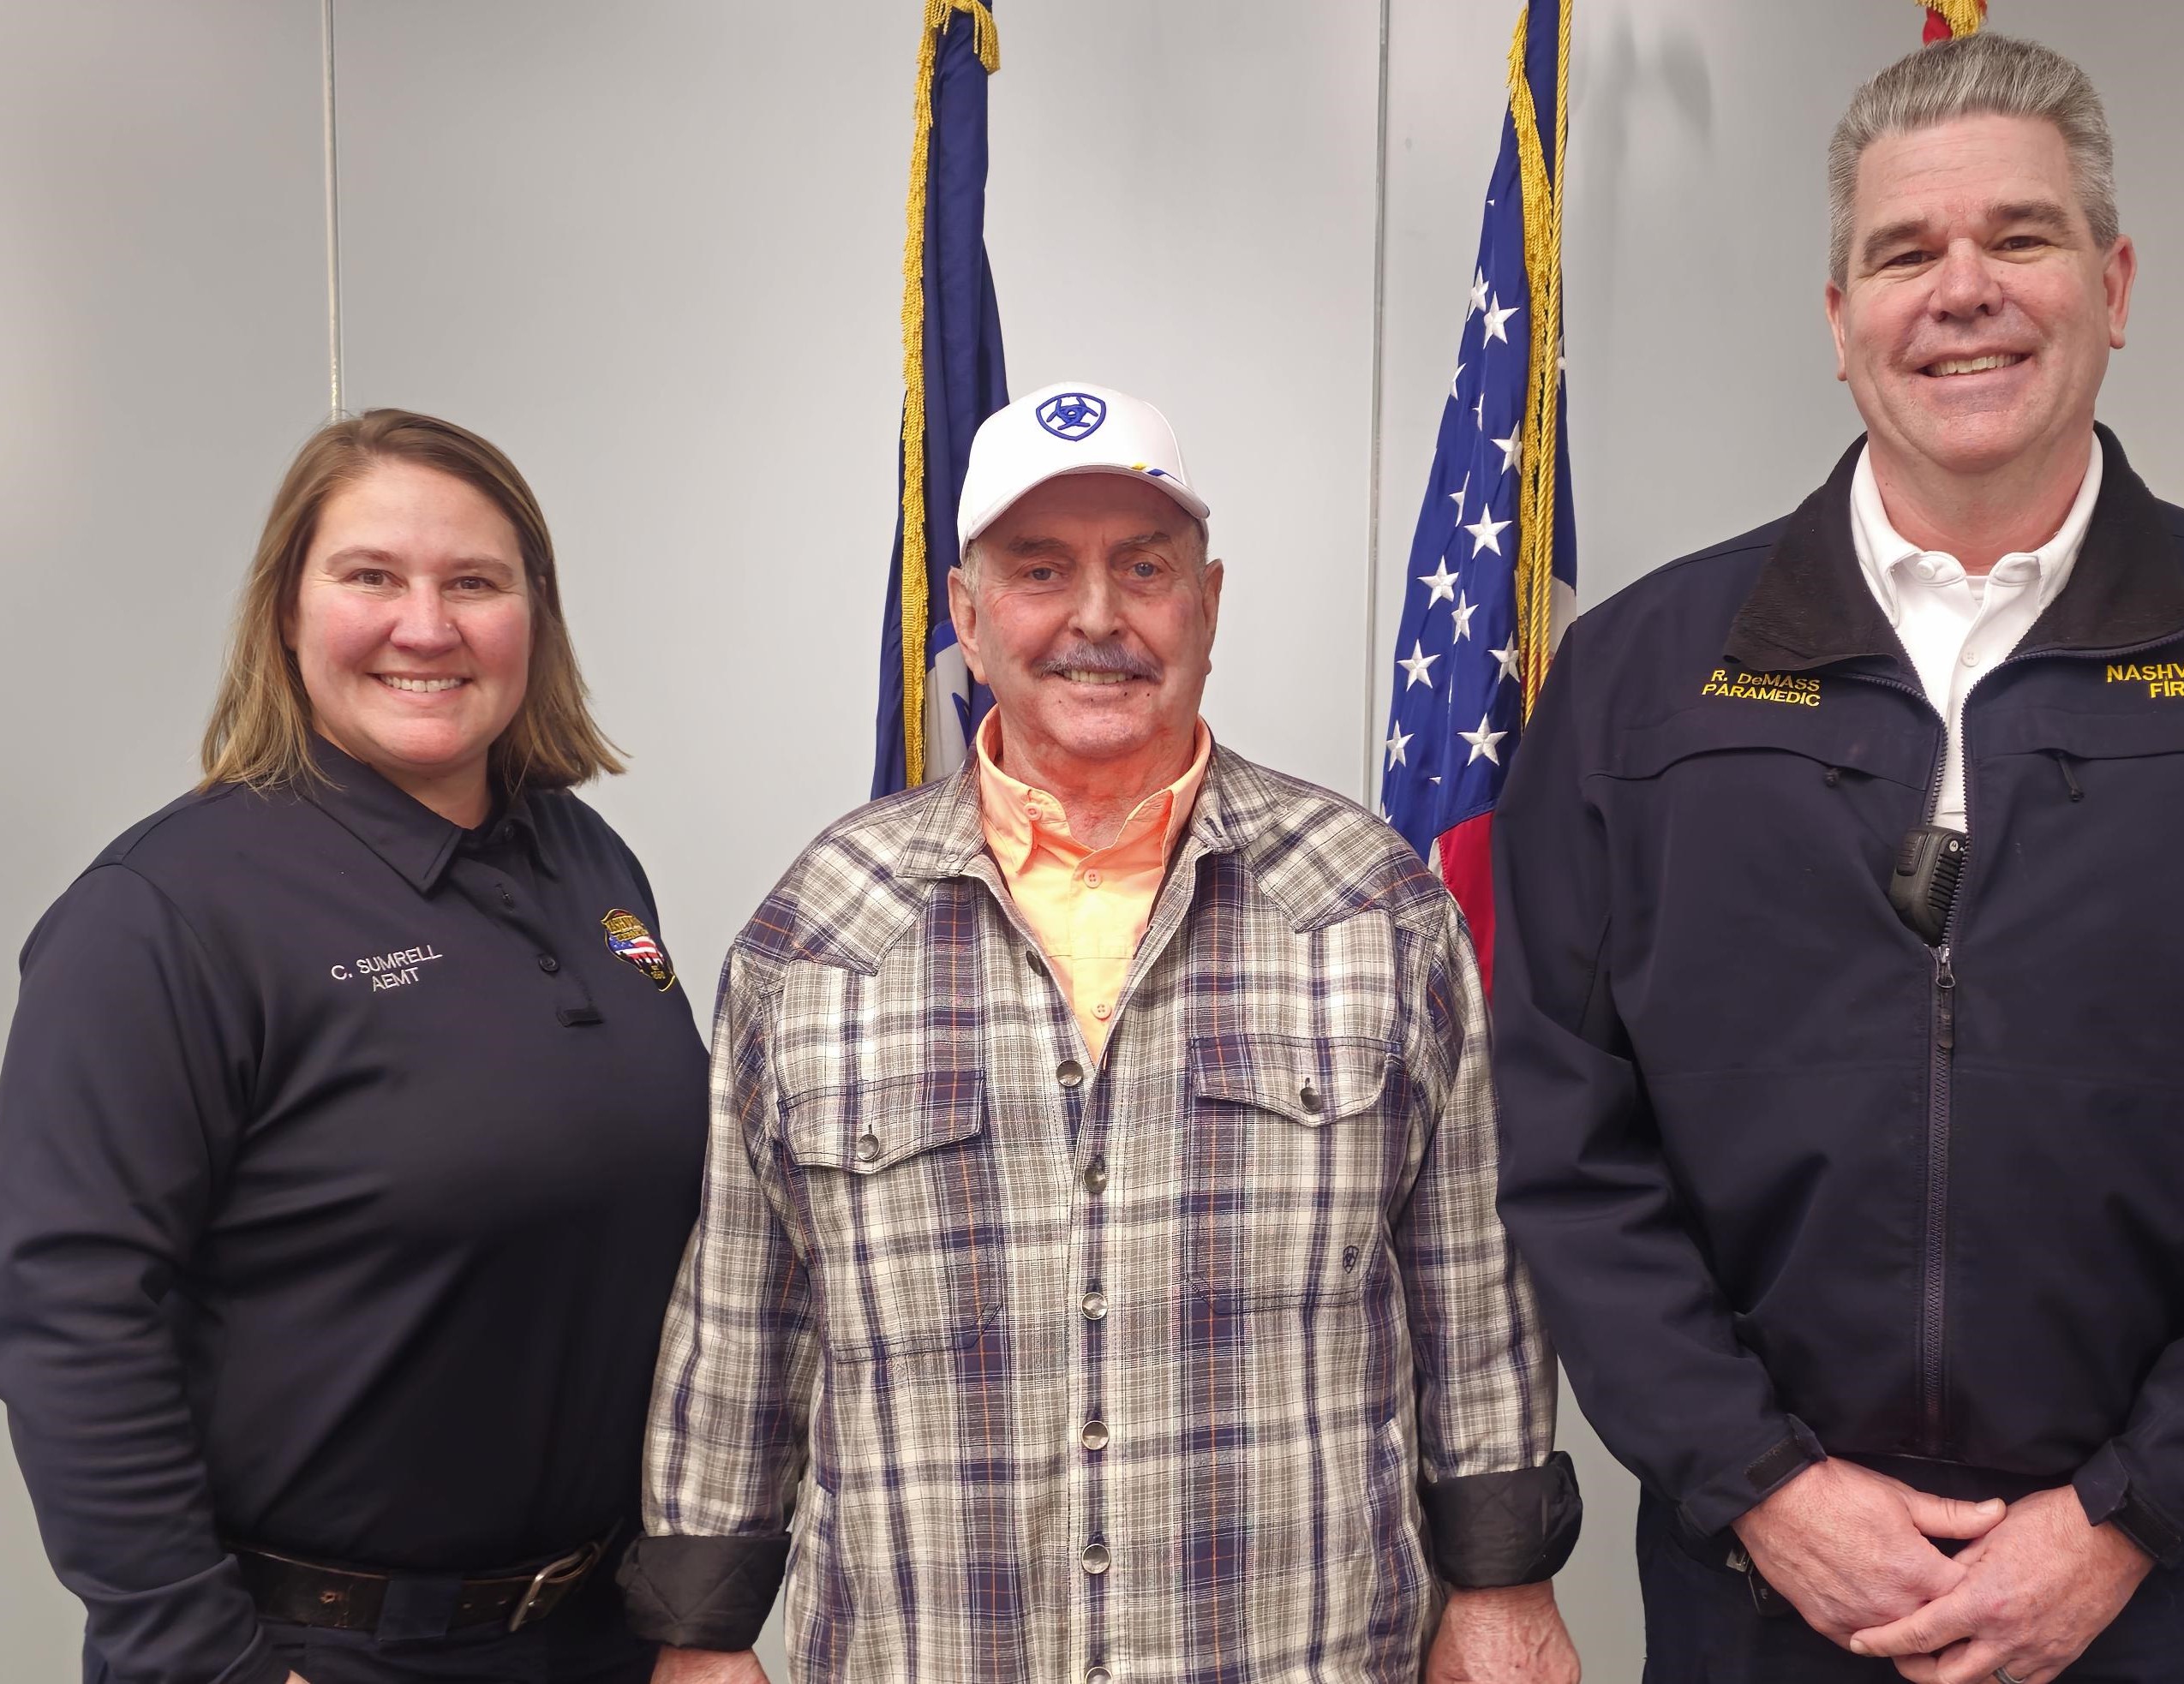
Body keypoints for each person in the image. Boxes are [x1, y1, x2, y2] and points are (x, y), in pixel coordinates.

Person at [1490, 33, 2184, 1684]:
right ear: (1838, 323)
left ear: (2111, 285)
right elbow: (1553, 1120)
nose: (1960, 289)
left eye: (2017, 238)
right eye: (1903, 252)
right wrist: (1760, 1482)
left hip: (2141, 1599)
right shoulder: (1632, 682)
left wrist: (2129, 1508)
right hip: (1755, 1593)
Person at [618, 382, 1582, 1683]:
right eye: (1037, 570)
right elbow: (744, 1313)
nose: (1095, 617)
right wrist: (702, 1631)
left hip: (1294, 1651)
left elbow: (1470, 1281)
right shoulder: (823, 927)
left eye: (1143, 567)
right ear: (964, 613)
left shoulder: (1368, 902)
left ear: (1208, 601)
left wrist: (1503, 1584)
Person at [0, 410, 711, 1684]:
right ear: (286, 611)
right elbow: (69, 1322)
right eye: (371, 576)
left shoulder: (588, 861)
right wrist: (207, 1662)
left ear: (532, 617)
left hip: (598, 1636)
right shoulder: (162, 913)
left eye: (473, 582)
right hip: (315, 1651)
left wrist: (686, 1613)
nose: (424, 626)